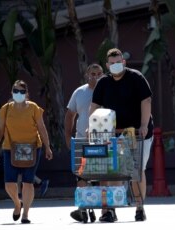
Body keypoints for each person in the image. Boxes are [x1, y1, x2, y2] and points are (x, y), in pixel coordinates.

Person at [89, 48, 154, 222]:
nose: (116, 65)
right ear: (107, 65)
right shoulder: (103, 83)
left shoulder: (136, 78)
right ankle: (111, 210)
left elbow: (146, 101)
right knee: (114, 171)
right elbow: (94, 107)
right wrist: (92, 126)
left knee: (137, 170)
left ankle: (139, 207)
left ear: (124, 62)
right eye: (112, 63)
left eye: (119, 62)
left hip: (138, 133)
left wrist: (143, 125)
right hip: (114, 134)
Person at [0, 80, 53, 224]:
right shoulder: (5, 109)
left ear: (27, 94)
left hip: (32, 148)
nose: (19, 94)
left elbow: (41, 128)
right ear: (12, 93)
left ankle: (25, 214)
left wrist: (47, 146)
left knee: (28, 182)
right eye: (16, 91)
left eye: (22, 91)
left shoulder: (34, 108)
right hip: (10, 148)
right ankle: (17, 204)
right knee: (9, 184)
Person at [64, 63, 103, 222]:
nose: (95, 77)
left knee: (100, 176)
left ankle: (103, 210)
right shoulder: (79, 92)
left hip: (102, 142)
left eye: (99, 74)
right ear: (87, 75)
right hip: (81, 141)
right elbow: (70, 115)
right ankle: (82, 209)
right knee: (81, 176)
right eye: (92, 74)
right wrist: (68, 137)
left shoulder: (108, 90)